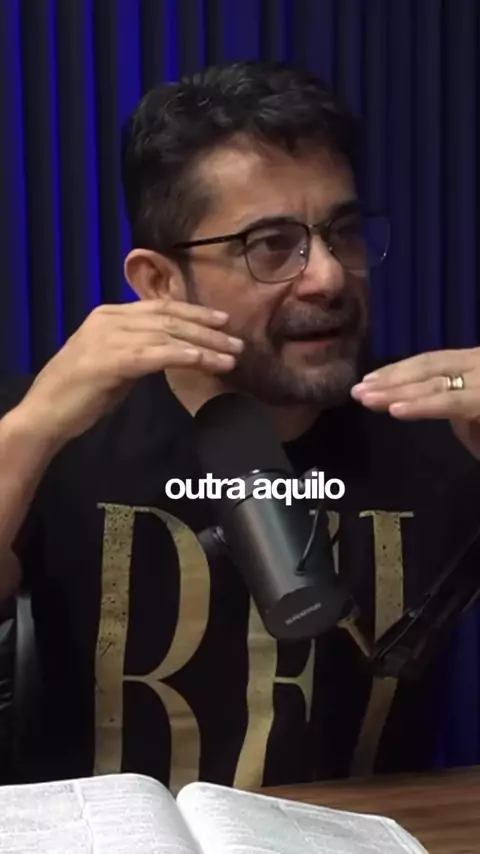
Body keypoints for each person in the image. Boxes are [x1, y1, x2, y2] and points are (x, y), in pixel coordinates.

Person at [1, 60, 479, 792]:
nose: (328, 276)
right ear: (160, 282)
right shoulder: (56, 429)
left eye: (343, 233)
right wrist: (28, 432)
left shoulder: (442, 427)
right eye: (271, 245)